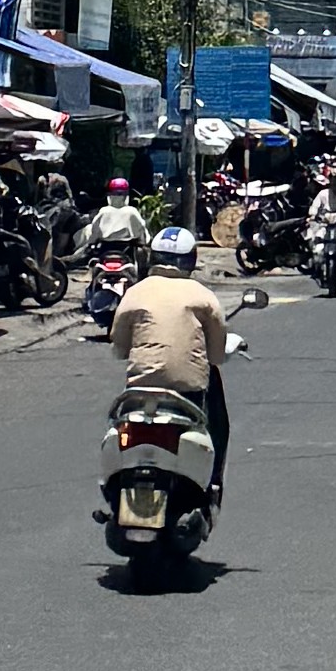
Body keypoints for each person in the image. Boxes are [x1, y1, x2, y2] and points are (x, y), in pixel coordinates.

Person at [109, 214, 230, 504]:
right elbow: (216, 355)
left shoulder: (135, 293)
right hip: (188, 393)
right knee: (219, 425)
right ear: (190, 260)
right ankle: (213, 483)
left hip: (138, 391)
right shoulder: (204, 296)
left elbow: (119, 349)